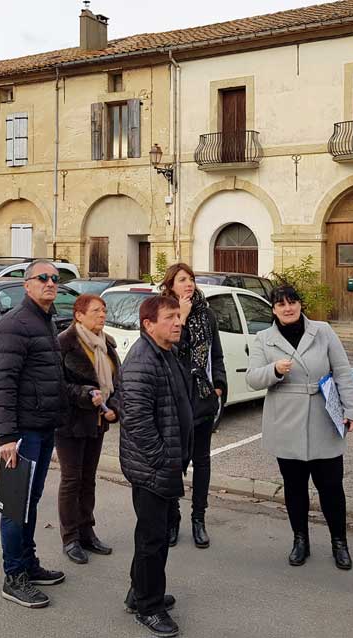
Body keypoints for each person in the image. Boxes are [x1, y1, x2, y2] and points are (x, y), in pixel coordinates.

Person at [0, 259, 93, 609]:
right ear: (27, 284)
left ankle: (28, 563)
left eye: (55, 278)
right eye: (43, 278)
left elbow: (51, 379)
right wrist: (7, 437)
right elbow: (3, 383)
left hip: (44, 427)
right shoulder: (15, 325)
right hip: (23, 433)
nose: (51, 283)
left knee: (31, 503)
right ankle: (14, 576)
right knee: (16, 506)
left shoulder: (44, 322)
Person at [245, 284, 353, 570]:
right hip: (285, 419)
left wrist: (351, 409)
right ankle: (300, 540)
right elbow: (253, 378)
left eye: (292, 302)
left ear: (300, 304)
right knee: (294, 486)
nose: (288, 308)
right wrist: (274, 370)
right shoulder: (263, 338)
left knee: (331, 486)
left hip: (324, 415)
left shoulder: (323, 331)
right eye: (281, 304)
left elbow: (342, 370)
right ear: (273, 309)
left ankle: (339, 542)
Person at [119, 295, 193, 638]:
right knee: (153, 538)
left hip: (163, 463)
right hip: (151, 466)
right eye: (170, 317)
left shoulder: (165, 352)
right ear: (149, 324)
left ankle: (140, 591)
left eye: (178, 316)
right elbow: (136, 420)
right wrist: (163, 458)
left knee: (154, 533)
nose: (178, 322)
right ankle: (149, 607)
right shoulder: (141, 361)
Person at [159, 263, 226, 549]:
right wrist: (181, 318)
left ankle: (198, 519)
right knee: (176, 461)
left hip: (202, 397)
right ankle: (172, 518)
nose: (188, 284)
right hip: (176, 397)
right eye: (182, 279)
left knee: (202, 461)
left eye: (191, 279)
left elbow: (217, 354)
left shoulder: (207, 313)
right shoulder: (164, 314)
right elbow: (169, 352)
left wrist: (220, 384)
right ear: (171, 285)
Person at [56, 294, 121, 564]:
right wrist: (84, 393)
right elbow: (57, 386)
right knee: (72, 480)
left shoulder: (107, 343)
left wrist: (114, 405)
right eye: (96, 311)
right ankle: (70, 538)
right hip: (71, 422)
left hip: (98, 420)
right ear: (79, 315)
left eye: (104, 310)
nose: (102, 315)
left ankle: (87, 531)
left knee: (89, 478)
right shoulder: (64, 344)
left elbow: (118, 379)